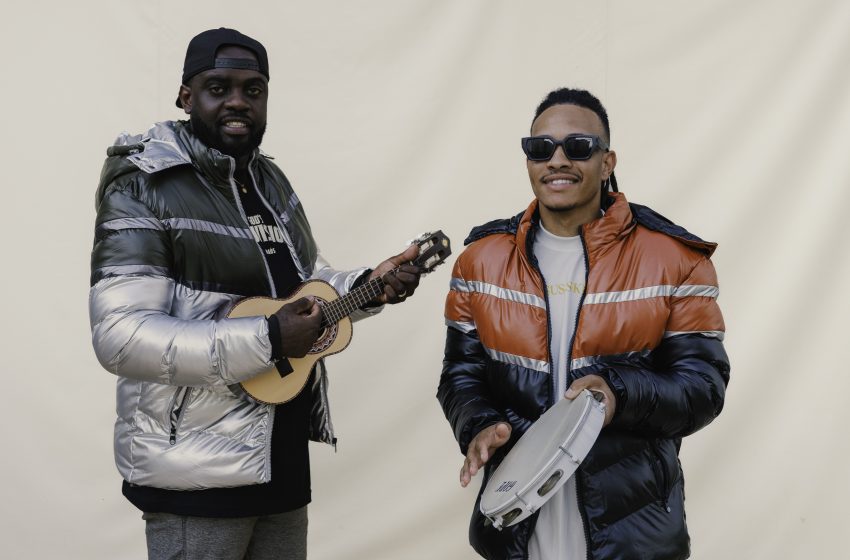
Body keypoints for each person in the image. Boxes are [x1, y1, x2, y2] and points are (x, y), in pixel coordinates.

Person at [89, 28, 422, 560]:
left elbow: (310, 283)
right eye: (219, 88)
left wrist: (368, 287)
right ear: (185, 95)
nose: (238, 102)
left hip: (280, 460)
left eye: (254, 89)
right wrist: (268, 337)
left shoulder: (271, 181)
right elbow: (121, 338)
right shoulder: (142, 185)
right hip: (196, 478)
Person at [437, 88, 730, 559]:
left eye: (577, 147)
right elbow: (460, 375)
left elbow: (703, 387)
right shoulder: (480, 261)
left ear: (607, 162)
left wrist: (617, 394)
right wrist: (479, 425)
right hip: (517, 530)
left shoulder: (675, 260)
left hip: (632, 536)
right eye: (540, 148)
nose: (556, 160)